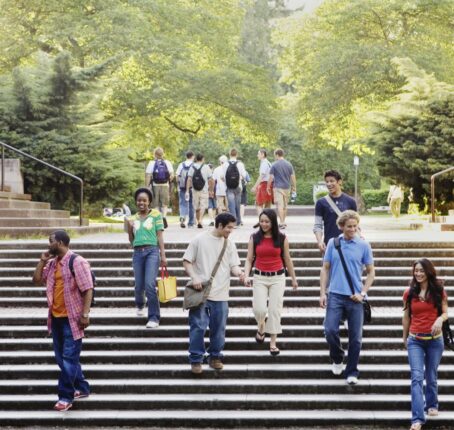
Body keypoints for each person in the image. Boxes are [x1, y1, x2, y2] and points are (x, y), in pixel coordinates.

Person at [32, 230, 94, 412]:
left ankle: (66, 397)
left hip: (73, 318)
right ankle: (82, 387)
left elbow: (88, 289)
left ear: (59, 243)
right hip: (56, 318)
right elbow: (36, 280)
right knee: (62, 358)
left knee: (68, 358)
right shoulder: (52, 264)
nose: (48, 244)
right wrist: (42, 260)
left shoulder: (77, 262)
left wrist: (85, 314)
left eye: (50, 241)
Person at [183, 212, 245, 374]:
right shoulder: (199, 240)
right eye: (229, 227)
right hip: (201, 291)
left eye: (232, 227)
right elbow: (187, 261)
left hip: (221, 293)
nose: (231, 231)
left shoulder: (229, 244)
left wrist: (240, 274)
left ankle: (215, 356)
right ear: (219, 225)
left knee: (219, 328)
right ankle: (196, 359)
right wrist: (194, 277)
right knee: (197, 326)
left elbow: (234, 265)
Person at [319, 210, 375, 385]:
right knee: (330, 330)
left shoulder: (364, 245)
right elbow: (325, 268)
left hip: (355, 297)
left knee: (356, 338)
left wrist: (363, 293)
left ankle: (352, 371)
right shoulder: (333, 243)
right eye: (349, 226)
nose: (352, 229)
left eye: (355, 226)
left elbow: (371, 272)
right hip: (335, 294)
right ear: (341, 226)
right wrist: (322, 292)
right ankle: (337, 357)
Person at [243, 209, 298, 355]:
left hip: (278, 278)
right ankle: (261, 326)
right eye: (261, 221)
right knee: (259, 309)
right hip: (260, 277)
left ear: (273, 222)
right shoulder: (254, 238)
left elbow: (287, 259)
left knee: (274, 310)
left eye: (267, 221)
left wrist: (293, 278)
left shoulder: (281, 238)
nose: (264, 224)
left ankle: (273, 342)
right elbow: (249, 259)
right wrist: (246, 275)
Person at [402, 259, 448, 430]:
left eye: (421, 270)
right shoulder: (409, 292)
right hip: (415, 340)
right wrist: (404, 337)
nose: (418, 274)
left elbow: (445, 313)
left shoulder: (438, 290)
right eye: (416, 271)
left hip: (435, 341)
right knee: (416, 377)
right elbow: (406, 317)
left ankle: (432, 404)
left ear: (428, 271)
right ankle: (417, 419)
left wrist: (439, 319)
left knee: (431, 373)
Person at [126, 188, 167, 328]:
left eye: (144, 200)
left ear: (149, 201)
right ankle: (140, 304)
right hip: (137, 252)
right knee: (139, 285)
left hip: (152, 251)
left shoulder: (156, 215)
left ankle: (154, 317)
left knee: (149, 284)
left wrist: (163, 255)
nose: (141, 202)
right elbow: (131, 241)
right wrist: (130, 228)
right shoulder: (132, 218)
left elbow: (160, 235)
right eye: (139, 200)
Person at [314, 170, 357, 255]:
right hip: (329, 244)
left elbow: (356, 224)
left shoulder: (351, 201)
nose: (329, 184)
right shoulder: (321, 202)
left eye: (332, 181)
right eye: (327, 182)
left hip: (348, 244)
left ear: (339, 182)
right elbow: (317, 225)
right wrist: (319, 241)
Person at [145, 147, 174, 229]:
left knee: (155, 204)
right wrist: (168, 180)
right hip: (165, 185)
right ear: (163, 154)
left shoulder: (151, 163)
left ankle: (158, 220)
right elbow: (172, 175)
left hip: (155, 185)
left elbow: (148, 176)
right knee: (164, 204)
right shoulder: (167, 163)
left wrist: (147, 187)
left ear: (155, 154)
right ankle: (164, 217)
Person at [267, 148, 296, 229]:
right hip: (287, 187)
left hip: (278, 188)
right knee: (285, 206)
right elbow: (292, 177)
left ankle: (282, 222)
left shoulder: (274, 164)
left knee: (280, 205)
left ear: (277, 155)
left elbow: (271, 177)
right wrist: (294, 187)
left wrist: (268, 187)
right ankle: (283, 221)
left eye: (274, 155)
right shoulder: (289, 164)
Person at [186, 153, 214, 228]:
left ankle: (198, 221)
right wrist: (211, 190)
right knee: (203, 206)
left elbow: (189, 179)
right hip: (204, 189)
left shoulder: (192, 167)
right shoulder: (206, 167)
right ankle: (200, 220)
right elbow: (211, 179)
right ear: (202, 159)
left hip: (194, 190)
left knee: (196, 206)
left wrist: (187, 190)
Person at [223, 148, 247, 226]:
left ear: (229, 154)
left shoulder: (225, 164)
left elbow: (223, 176)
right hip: (238, 186)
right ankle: (238, 221)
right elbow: (244, 175)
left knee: (231, 204)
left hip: (229, 187)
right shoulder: (240, 164)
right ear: (236, 154)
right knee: (237, 204)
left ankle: (233, 221)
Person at [176, 151, 195, 228]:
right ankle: (190, 223)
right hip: (192, 188)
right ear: (192, 156)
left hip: (182, 187)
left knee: (183, 204)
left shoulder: (181, 164)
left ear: (186, 156)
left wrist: (178, 184)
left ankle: (182, 218)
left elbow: (177, 176)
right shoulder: (194, 165)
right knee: (191, 205)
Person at [251, 149, 273, 215]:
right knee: (267, 203)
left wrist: (255, 187)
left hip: (264, 185)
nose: (257, 155)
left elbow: (261, 176)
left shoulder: (264, 163)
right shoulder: (269, 163)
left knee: (258, 204)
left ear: (263, 154)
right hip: (270, 184)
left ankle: (261, 220)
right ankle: (267, 220)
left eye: (258, 154)